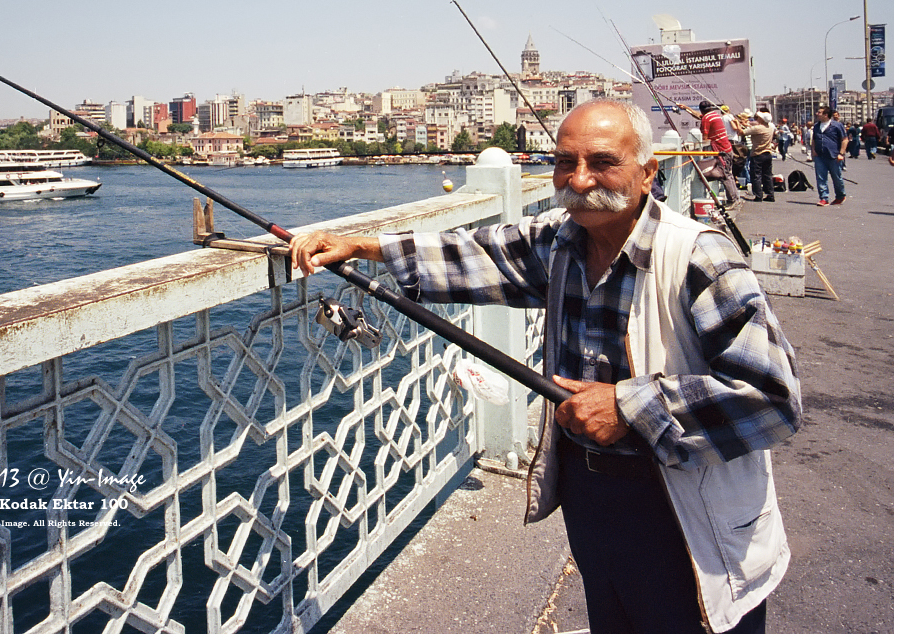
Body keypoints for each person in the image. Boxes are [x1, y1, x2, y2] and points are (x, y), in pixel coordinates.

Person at [289, 99, 801, 634]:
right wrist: (363, 247)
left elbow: (773, 397)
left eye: (602, 162)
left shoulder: (700, 257)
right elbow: (474, 254)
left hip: (685, 508)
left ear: (648, 173)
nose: (579, 180)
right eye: (564, 162)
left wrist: (630, 406)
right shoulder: (559, 240)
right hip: (592, 498)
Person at [697, 100, 742, 205]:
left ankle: (732, 201)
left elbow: (705, 138)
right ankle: (736, 198)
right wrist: (687, 109)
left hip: (721, 151)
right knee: (729, 174)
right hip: (727, 149)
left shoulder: (706, 119)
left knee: (725, 176)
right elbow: (700, 116)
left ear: (702, 111)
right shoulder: (715, 116)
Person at [811, 106, 847, 206]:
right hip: (820, 156)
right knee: (821, 177)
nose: (817, 114)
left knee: (837, 178)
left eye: (819, 112)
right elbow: (814, 139)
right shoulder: (817, 126)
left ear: (826, 115)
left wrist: (841, 153)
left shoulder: (836, 125)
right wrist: (813, 150)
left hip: (834, 156)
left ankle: (840, 196)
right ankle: (824, 198)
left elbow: (845, 139)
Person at [747, 111, 776, 201]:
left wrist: (737, 123)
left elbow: (742, 132)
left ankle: (758, 195)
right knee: (767, 175)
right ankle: (770, 194)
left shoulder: (758, 128)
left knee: (756, 175)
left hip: (757, 154)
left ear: (762, 119)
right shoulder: (770, 127)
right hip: (768, 153)